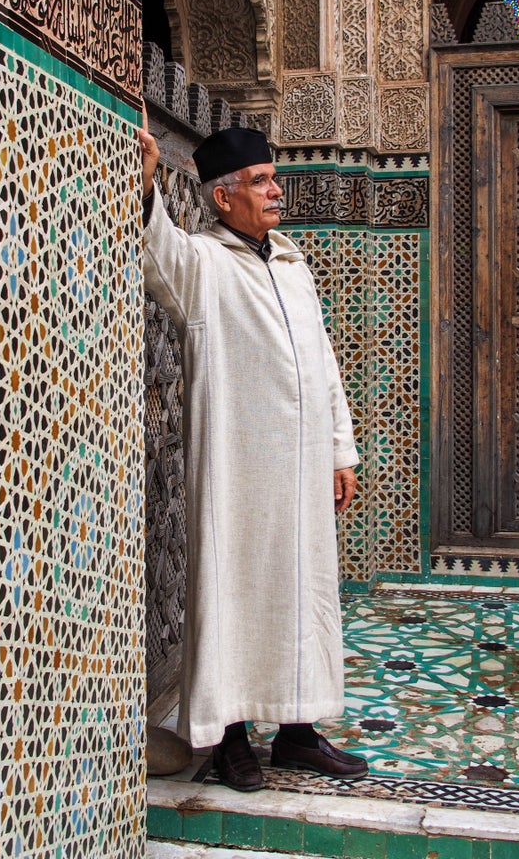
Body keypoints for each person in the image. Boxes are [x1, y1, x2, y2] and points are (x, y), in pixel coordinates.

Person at [139, 118, 368, 792]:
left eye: (274, 178)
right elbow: (157, 252)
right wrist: (146, 179)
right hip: (237, 473)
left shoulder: (293, 266)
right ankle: (232, 740)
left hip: (300, 473)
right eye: (260, 181)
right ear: (221, 197)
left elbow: (321, 366)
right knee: (234, 596)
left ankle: (297, 734)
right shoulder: (201, 266)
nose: (276, 191)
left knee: (303, 595)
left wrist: (338, 451)